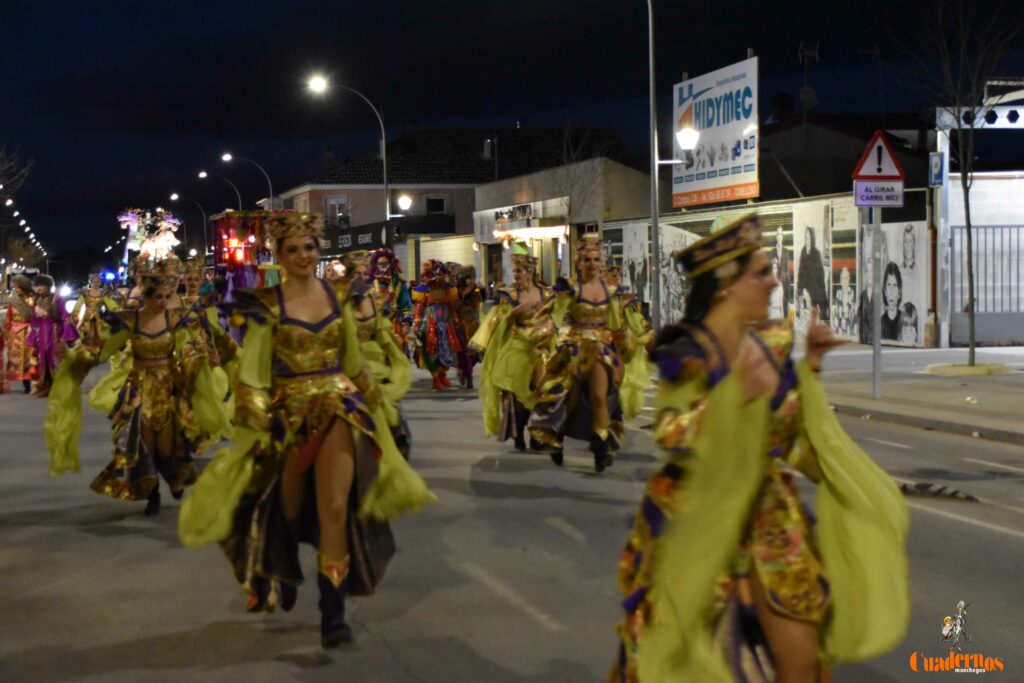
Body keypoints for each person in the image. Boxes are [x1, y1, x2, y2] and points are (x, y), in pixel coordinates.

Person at [610, 214, 909, 683]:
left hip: (770, 517)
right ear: (728, 283)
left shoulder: (770, 345)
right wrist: (732, 397)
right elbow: (671, 434)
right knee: (685, 656)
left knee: (803, 657)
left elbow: (786, 441)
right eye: (763, 273)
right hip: (698, 518)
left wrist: (809, 369)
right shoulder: (690, 352)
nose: (774, 283)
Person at [178, 212, 434, 648]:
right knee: (290, 505)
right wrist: (254, 414)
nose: (302, 255)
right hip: (288, 414)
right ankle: (285, 564)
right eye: (292, 249)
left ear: (318, 251)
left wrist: (383, 406)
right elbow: (255, 372)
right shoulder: (267, 305)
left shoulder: (339, 297)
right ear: (278, 256)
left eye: (309, 247)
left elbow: (352, 361)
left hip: (339, 406)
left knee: (335, 505)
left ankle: (331, 612)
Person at [44, 255, 224, 516]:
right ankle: (153, 494)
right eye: (156, 297)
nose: (162, 302)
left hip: (168, 388)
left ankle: (174, 477)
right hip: (138, 390)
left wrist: (206, 361)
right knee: (142, 446)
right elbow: (101, 350)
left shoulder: (176, 318)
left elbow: (191, 347)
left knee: (167, 447)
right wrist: (72, 355)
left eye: (166, 296)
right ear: (145, 296)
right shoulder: (129, 320)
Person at [527, 234, 645, 472]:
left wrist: (628, 342)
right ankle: (556, 438)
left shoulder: (610, 291)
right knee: (565, 399)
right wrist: (547, 339)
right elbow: (554, 317)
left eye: (596, 259)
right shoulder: (569, 288)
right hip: (573, 349)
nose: (592, 264)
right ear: (579, 263)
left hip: (599, 350)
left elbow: (615, 323)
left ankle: (600, 447)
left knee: (601, 398)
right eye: (587, 260)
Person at [470, 253, 554, 450]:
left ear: (530, 272)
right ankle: (518, 434)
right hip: (516, 346)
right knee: (515, 392)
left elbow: (553, 318)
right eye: (515, 270)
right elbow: (498, 321)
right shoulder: (509, 295)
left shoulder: (545, 293)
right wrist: (514, 313)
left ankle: (538, 434)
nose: (516, 274)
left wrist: (544, 313)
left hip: (540, 347)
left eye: (520, 270)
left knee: (543, 391)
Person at [346, 250, 414, 458]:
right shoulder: (337, 302)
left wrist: (397, 346)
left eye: (364, 272)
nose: (362, 277)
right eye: (356, 273)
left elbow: (386, 329)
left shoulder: (381, 296)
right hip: (348, 366)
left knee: (389, 412)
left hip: (377, 360)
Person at [412, 259, 463, 390]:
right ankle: (436, 377)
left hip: (446, 323)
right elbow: (419, 307)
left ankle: (442, 374)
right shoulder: (424, 290)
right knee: (431, 349)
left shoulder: (448, 290)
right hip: (430, 323)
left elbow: (452, 306)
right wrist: (417, 323)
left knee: (448, 348)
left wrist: (456, 320)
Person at [27, 274, 79, 397]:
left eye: (42, 285)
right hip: (42, 335)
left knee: (55, 360)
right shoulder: (36, 301)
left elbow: (65, 317)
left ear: (49, 286)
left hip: (55, 333)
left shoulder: (58, 300)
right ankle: (46, 387)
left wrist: (66, 335)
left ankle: (59, 388)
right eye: (38, 285)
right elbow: (34, 320)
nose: (39, 288)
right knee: (42, 360)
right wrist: (34, 334)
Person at [368, 248, 413, 355]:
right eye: (380, 264)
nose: (383, 266)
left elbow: (405, 304)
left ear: (391, 264)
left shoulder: (399, 283)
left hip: (394, 324)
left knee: (396, 354)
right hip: (375, 325)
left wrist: (406, 323)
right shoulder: (369, 284)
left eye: (385, 263)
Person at [4, 274, 38, 394]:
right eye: (15, 287)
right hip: (16, 334)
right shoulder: (13, 301)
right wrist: (7, 334)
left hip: (29, 332)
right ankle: (24, 383)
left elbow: (36, 315)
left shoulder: (33, 299)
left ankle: (31, 381)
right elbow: (8, 318)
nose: (16, 289)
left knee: (30, 358)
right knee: (17, 359)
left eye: (18, 287)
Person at [455, 265, 484, 389]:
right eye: (468, 278)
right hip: (460, 325)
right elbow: (455, 305)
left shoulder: (476, 289)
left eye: (472, 277)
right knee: (463, 352)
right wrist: (463, 296)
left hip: (473, 324)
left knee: (475, 352)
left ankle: (467, 373)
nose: (471, 280)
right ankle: (465, 373)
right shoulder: (456, 290)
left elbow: (480, 302)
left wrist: (482, 291)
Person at [71, 273, 116, 347]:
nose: (96, 284)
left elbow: (111, 305)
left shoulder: (103, 294)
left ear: (100, 283)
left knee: (100, 337)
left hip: (98, 319)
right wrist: (75, 315)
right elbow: (78, 305)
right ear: (90, 282)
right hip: (87, 319)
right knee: (86, 337)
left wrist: (116, 310)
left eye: (98, 282)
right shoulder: (86, 293)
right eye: (94, 282)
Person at [795, 226, 829, 324]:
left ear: (812, 239)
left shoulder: (816, 253)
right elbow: (800, 273)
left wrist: (813, 292)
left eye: (809, 238)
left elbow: (820, 276)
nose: (807, 240)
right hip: (805, 288)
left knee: (818, 313)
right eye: (806, 238)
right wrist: (801, 290)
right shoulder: (802, 252)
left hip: (816, 288)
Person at [881, 262, 903, 341]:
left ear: (899, 292)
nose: (891, 291)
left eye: (894, 285)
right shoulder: (880, 323)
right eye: (889, 285)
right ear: (885, 291)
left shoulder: (904, 320)